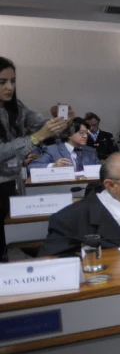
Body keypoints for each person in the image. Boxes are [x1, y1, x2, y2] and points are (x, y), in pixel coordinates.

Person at [0, 57, 67, 258]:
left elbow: (42, 125)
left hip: (14, 181)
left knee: (19, 236)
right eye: (2, 82)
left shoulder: (17, 107)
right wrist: (38, 137)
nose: (10, 87)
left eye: (13, 80)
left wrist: (61, 122)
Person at [29, 118, 98, 171]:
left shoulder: (90, 151)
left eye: (86, 133)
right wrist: (53, 166)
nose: (85, 136)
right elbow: (31, 167)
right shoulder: (53, 150)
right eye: (81, 132)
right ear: (69, 134)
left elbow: (101, 170)